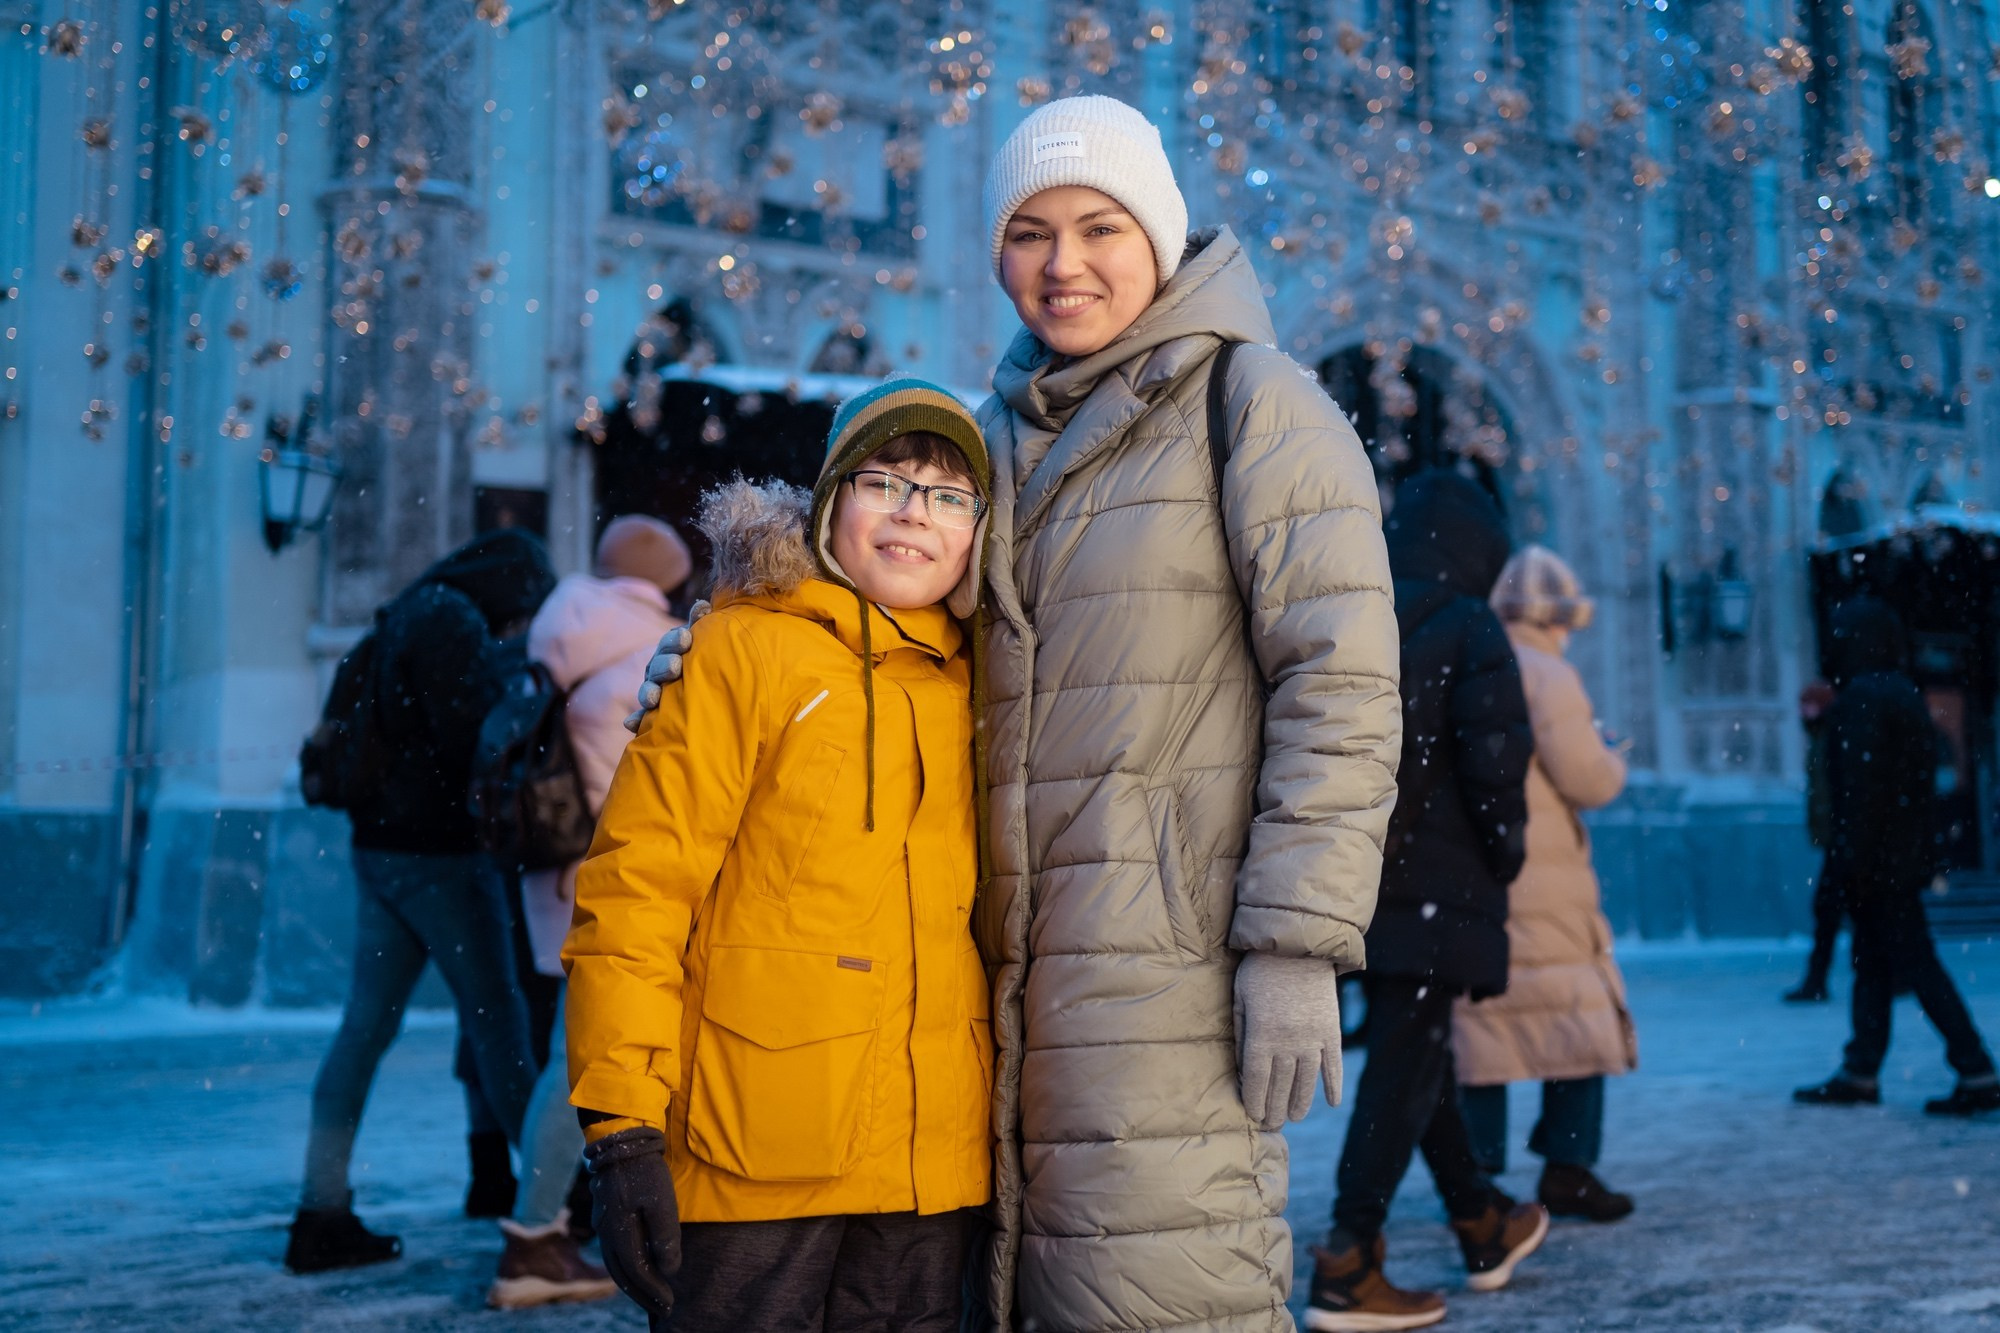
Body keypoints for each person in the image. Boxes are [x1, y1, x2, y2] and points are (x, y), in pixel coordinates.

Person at [636, 96, 1404, 1332]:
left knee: (1157, 1292)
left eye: (1099, 226)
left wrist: (1295, 940)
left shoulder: (1254, 404)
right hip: (984, 989)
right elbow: (892, 626)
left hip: (1168, 975)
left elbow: (1344, 684)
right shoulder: (992, 437)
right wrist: (717, 644)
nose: (1063, 264)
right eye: (1028, 233)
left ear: (1156, 233)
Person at [565, 380, 996, 1332]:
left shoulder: (983, 684)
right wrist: (622, 1125)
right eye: (886, 482)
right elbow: (639, 889)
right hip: (751, 1156)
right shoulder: (740, 652)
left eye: (950, 496)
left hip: (930, 1170)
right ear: (833, 497)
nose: (915, 514)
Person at [1309, 470, 1542, 1331]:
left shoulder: (1357, 611)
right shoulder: (1470, 624)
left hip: (1360, 877)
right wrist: (1503, 855)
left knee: (1418, 1048)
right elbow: (1495, 767)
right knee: (1407, 1061)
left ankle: (1481, 1219)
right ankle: (1349, 1255)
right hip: (1437, 885)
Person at [286, 530, 555, 1274]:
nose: (519, 620)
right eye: (524, 604)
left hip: (379, 848)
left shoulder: (407, 608)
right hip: (437, 855)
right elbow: (474, 736)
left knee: (364, 1030)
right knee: (501, 1026)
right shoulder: (450, 621)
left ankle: (320, 1210)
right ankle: (550, 1218)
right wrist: (519, 678)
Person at [487, 514, 690, 1310]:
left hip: (556, 874)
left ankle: (550, 1226)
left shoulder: (559, 634)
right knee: (586, 1068)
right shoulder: (654, 649)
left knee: (571, 1055)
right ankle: (534, 1240)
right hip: (620, 882)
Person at [1453, 545, 1639, 1225]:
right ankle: (1568, 1166)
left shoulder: (1473, 658)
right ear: (1555, 616)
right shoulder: (1548, 673)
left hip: (1487, 871)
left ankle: (1477, 1178)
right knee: (1579, 1015)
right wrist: (1613, 756)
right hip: (1546, 878)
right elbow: (1585, 776)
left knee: (1483, 1030)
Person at [1793, 597, 2000, 1116]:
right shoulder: (1901, 692)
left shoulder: (1863, 698)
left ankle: (1975, 1068)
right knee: (1876, 964)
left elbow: (1860, 794)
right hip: (1896, 858)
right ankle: (1862, 1069)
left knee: (1914, 964)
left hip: (1877, 862)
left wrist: (1847, 862)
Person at [1784, 677, 1841, 1003]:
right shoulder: (1821, 738)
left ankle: (1816, 980)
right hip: (1837, 840)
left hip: (1842, 841)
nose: (1804, 712)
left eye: (1809, 705)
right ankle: (1816, 980)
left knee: (1831, 911)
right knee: (1835, 913)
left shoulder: (1830, 738)